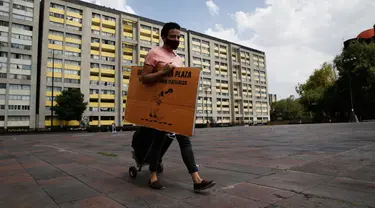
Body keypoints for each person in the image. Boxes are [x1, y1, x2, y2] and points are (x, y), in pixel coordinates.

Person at [140, 22, 216, 191]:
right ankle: (152, 177)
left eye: (178, 37)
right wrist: (163, 72)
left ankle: (197, 180)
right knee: (158, 141)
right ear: (164, 36)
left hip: (176, 106)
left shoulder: (178, 58)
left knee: (185, 140)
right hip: (161, 104)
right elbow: (144, 79)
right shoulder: (154, 53)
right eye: (173, 36)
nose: (176, 39)